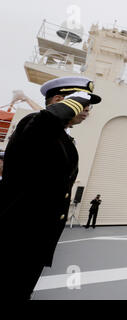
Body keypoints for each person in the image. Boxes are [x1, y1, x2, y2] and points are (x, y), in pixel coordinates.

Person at [0, 76, 101, 300]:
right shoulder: (34, 124)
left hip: (34, 240)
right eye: (83, 104)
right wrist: (66, 105)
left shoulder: (61, 137)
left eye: (89, 106)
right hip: (16, 237)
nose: (87, 110)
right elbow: (46, 122)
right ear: (58, 100)